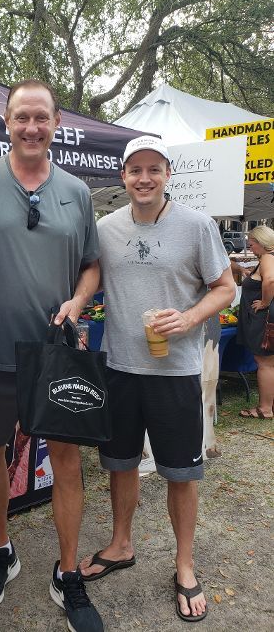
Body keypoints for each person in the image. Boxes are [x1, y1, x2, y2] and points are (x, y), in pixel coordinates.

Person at [0, 79, 103, 631]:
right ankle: (2, 549)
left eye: (41, 117)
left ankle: (68, 572)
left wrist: (79, 300)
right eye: (22, 117)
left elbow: (91, 264)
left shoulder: (77, 192)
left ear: (57, 123)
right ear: (6, 122)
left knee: (67, 462)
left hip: (55, 356)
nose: (31, 127)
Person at [79, 135, 235, 623]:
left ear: (168, 174)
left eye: (153, 169)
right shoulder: (106, 227)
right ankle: (121, 544)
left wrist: (189, 318)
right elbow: (92, 275)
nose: (144, 178)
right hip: (120, 368)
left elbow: (225, 288)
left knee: (181, 473)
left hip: (175, 372)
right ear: (123, 176)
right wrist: (77, 302)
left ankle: (184, 564)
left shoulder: (197, 225)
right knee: (120, 464)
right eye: (135, 170)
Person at [237, 225, 274, 419]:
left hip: (264, 319)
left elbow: (270, 280)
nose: (250, 248)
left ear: (261, 243)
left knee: (264, 363)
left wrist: (265, 302)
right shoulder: (269, 258)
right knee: (270, 362)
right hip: (268, 318)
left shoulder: (268, 258)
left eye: (251, 244)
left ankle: (265, 409)